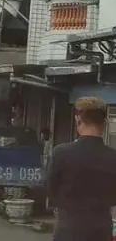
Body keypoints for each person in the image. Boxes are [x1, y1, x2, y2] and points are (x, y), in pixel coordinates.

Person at [48, 97, 116, 241]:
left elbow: (50, 189)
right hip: (101, 231)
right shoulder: (113, 157)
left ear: (78, 120)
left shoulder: (61, 153)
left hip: (68, 230)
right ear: (104, 123)